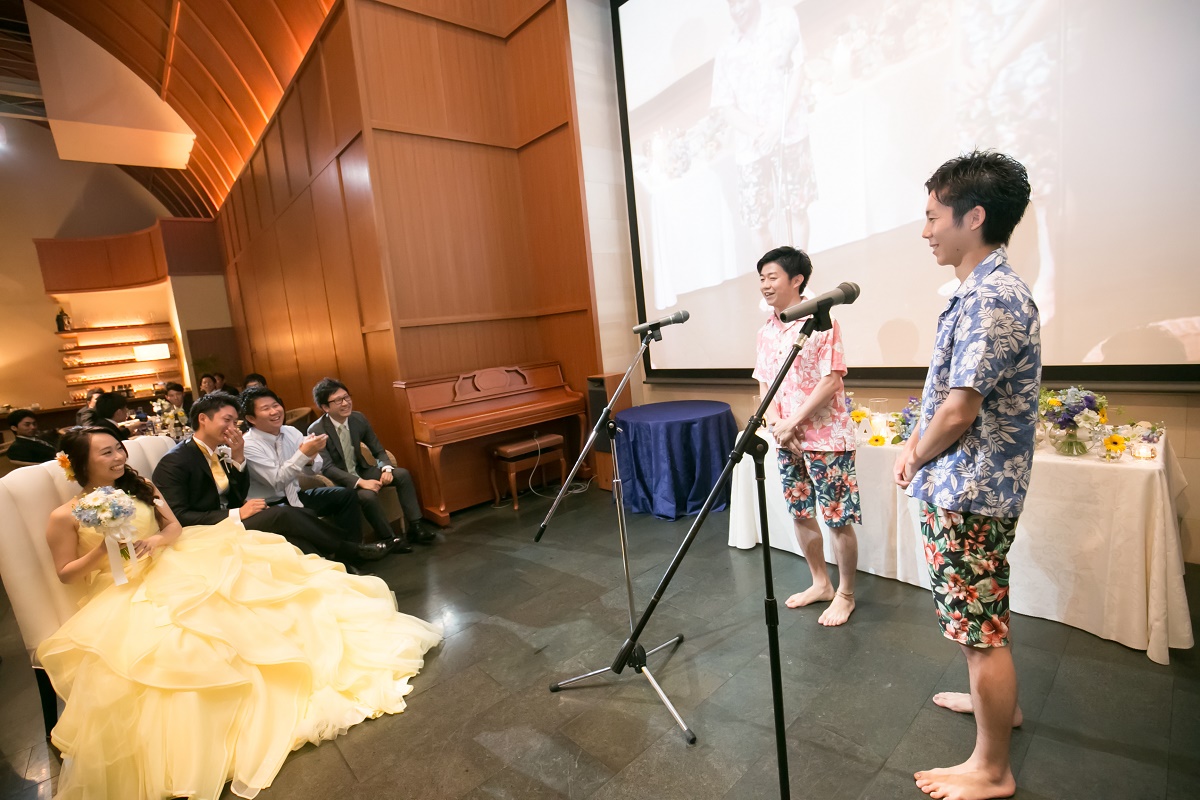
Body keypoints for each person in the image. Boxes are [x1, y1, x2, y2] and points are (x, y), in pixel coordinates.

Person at [38, 427, 441, 800]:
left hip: (173, 559)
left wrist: (157, 541)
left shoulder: (140, 486)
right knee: (177, 644)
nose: (118, 457)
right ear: (81, 463)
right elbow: (65, 573)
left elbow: (173, 527)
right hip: (124, 587)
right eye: (106, 453)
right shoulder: (64, 515)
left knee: (253, 596)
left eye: (118, 449)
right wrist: (103, 548)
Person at [894, 150, 1039, 800]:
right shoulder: (981, 291)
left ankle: (992, 769)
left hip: (969, 491)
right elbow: (947, 400)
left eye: (933, 217)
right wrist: (917, 446)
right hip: (963, 485)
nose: (925, 230)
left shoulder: (992, 297)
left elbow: (959, 409)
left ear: (973, 216)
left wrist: (915, 453)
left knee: (980, 634)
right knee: (980, 619)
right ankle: (997, 710)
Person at [152, 392, 391, 565]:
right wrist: (237, 513)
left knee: (300, 529)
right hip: (206, 529)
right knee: (284, 513)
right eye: (227, 420)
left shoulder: (221, 451)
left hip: (238, 515)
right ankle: (351, 550)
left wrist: (238, 457)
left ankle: (338, 567)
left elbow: (237, 493)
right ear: (203, 419)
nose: (233, 427)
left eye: (235, 421)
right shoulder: (176, 461)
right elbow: (179, 515)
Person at [754, 245, 861, 627]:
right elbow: (765, 386)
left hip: (826, 438)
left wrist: (793, 422)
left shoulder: (823, 322)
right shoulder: (766, 331)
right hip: (787, 440)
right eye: (762, 278)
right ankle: (821, 583)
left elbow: (831, 381)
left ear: (797, 280)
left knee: (837, 518)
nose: (765, 285)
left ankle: (846, 594)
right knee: (801, 513)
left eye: (772, 277)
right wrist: (777, 426)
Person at [712, 0, 817, 253]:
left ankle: (799, 272)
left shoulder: (783, 20)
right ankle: (770, 276)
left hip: (790, 134)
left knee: (798, 208)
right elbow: (725, 105)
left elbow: (798, 71)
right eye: (731, 4)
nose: (736, 9)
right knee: (757, 221)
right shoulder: (726, 50)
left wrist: (777, 125)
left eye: (740, 1)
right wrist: (759, 133)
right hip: (752, 147)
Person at [309, 378, 435, 554]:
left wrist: (386, 468)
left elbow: (378, 450)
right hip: (342, 480)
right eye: (338, 400)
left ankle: (415, 526)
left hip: (362, 469)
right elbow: (327, 468)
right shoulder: (317, 430)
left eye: (346, 397)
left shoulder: (358, 418)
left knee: (402, 474)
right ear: (325, 407)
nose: (345, 403)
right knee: (367, 496)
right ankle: (389, 539)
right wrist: (360, 482)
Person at [241, 386, 369, 548]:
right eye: (266, 409)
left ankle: (354, 549)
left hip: (297, 496)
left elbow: (314, 470)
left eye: (275, 405)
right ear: (251, 418)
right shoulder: (249, 445)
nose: (274, 412)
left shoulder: (290, 431)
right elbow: (277, 481)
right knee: (301, 514)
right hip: (270, 506)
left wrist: (310, 459)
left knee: (346, 495)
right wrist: (303, 454)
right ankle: (350, 549)